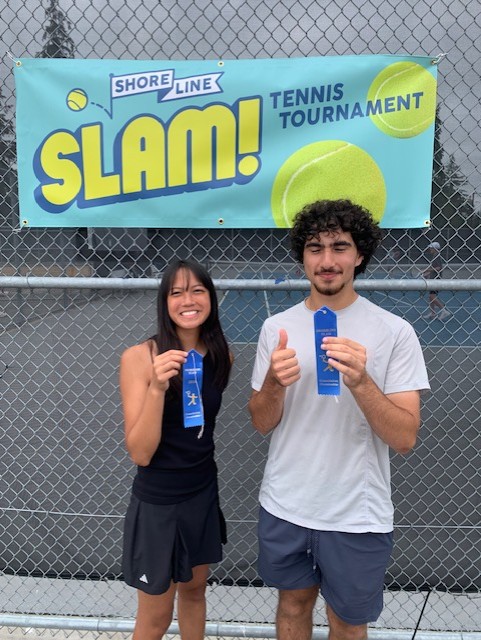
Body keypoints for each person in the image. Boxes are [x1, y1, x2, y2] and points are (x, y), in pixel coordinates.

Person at [248, 199, 430, 640]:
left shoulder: (394, 331)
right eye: (315, 247)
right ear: (302, 255)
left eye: (339, 246)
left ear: (359, 255)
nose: (327, 260)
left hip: (355, 513)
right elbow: (260, 421)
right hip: (286, 503)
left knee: (348, 622)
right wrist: (273, 383)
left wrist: (363, 383)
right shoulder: (277, 328)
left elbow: (405, 437)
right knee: (291, 604)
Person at [120, 259, 232, 640]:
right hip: (158, 501)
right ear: (164, 301)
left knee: (195, 591)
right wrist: (156, 388)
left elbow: (200, 431)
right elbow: (140, 453)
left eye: (198, 290)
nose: (189, 300)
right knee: (155, 616)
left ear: (211, 299)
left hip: (201, 493)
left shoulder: (220, 355)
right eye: (177, 292)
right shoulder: (139, 357)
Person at [421, 241, 450, 320]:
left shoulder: (437, 256)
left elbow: (438, 268)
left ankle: (444, 310)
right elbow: (434, 268)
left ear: (435, 249)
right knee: (430, 297)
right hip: (433, 279)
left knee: (432, 296)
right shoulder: (435, 256)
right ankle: (433, 313)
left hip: (436, 279)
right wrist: (427, 273)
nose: (430, 249)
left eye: (431, 248)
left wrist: (427, 270)